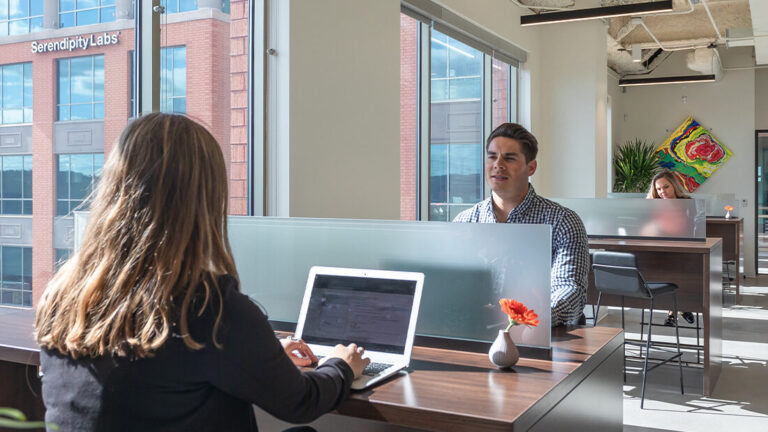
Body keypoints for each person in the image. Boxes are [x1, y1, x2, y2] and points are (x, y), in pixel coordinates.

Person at [34, 113, 369, 432]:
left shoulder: (64, 296)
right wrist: (340, 365)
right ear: (206, 200)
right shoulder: (209, 307)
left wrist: (264, 356)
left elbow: (161, 374)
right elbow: (301, 402)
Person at [453, 123, 590, 327]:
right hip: (474, 329)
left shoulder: (562, 222)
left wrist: (532, 319)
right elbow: (452, 285)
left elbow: (569, 289)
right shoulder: (465, 222)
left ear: (531, 167)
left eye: (509, 158)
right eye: (492, 156)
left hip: (541, 335)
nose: (498, 164)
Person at [646, 170, 696, 327]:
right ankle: (679, 308)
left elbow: (694, 227)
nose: (662, 192)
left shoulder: (688, 203)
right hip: (660, 247)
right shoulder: (653, 205)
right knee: (662, 269)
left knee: (679, 270)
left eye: (666, 187)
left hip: (684, 248)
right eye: (659, 189)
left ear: (674, 185)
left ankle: (673, 312)